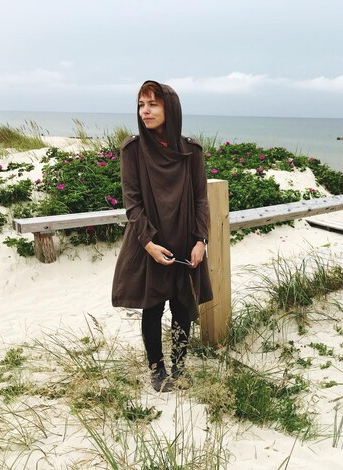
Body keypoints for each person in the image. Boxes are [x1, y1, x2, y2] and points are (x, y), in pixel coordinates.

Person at [112, 80, 212, 392]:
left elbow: (200, 199)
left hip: (185, 239)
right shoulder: (133, 150)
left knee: (183, 306)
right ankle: (157, 370)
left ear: (170, 108)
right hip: (151, 242)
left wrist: (200, 240)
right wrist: (149, 244)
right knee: (153, 307)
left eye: (153, 104)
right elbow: (133, 204)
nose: (145, 111)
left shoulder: (191, 150)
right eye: (141, 105)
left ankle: (180, 366)